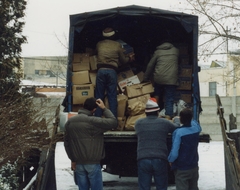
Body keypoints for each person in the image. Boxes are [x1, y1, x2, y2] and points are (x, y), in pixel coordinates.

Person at [64, 97, 117, 190]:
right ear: (94, 109)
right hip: (93, 162)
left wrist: (73, 159)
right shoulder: (93, 121)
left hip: (79, 163)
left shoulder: (70, 122)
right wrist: (104, 108)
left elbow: (67, 143)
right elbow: (113, 122)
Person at [134, 98, 180, 190]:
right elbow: (177, 128)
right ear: (158, 112)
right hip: (160, 158)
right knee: (161, 186)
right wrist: (176, 120)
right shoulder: (164, 123)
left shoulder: (138, 123)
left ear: (146, 112)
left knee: (144, 187)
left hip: (143, 158)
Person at [94, 27, 134, 118]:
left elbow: (95, 53)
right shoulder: (117, 45)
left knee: (99, 96)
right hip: (112, 72)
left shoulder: (99, 44)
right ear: (113, 35)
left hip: (100, 71)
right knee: (112, 96)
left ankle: (97, 118)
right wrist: (130, 58)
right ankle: (112, 121)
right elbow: (123, 61)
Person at [143, 40, 179, 119]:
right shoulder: (176, 51)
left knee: (157, 95)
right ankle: (168, 117)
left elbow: (150, 66)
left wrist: (145, 78)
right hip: (171, 79)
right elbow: (179, 63)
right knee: (169, 99)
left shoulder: (158, 52)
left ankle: (154, 114)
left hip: (159, 78)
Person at [168, 108, 202, 190]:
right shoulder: (196, 130)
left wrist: (170, 160)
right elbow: (197, 125)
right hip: (194, 166)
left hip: (182, 168)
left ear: (181, 119)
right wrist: (191, 119)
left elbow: (175, 151)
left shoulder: (179, 132)